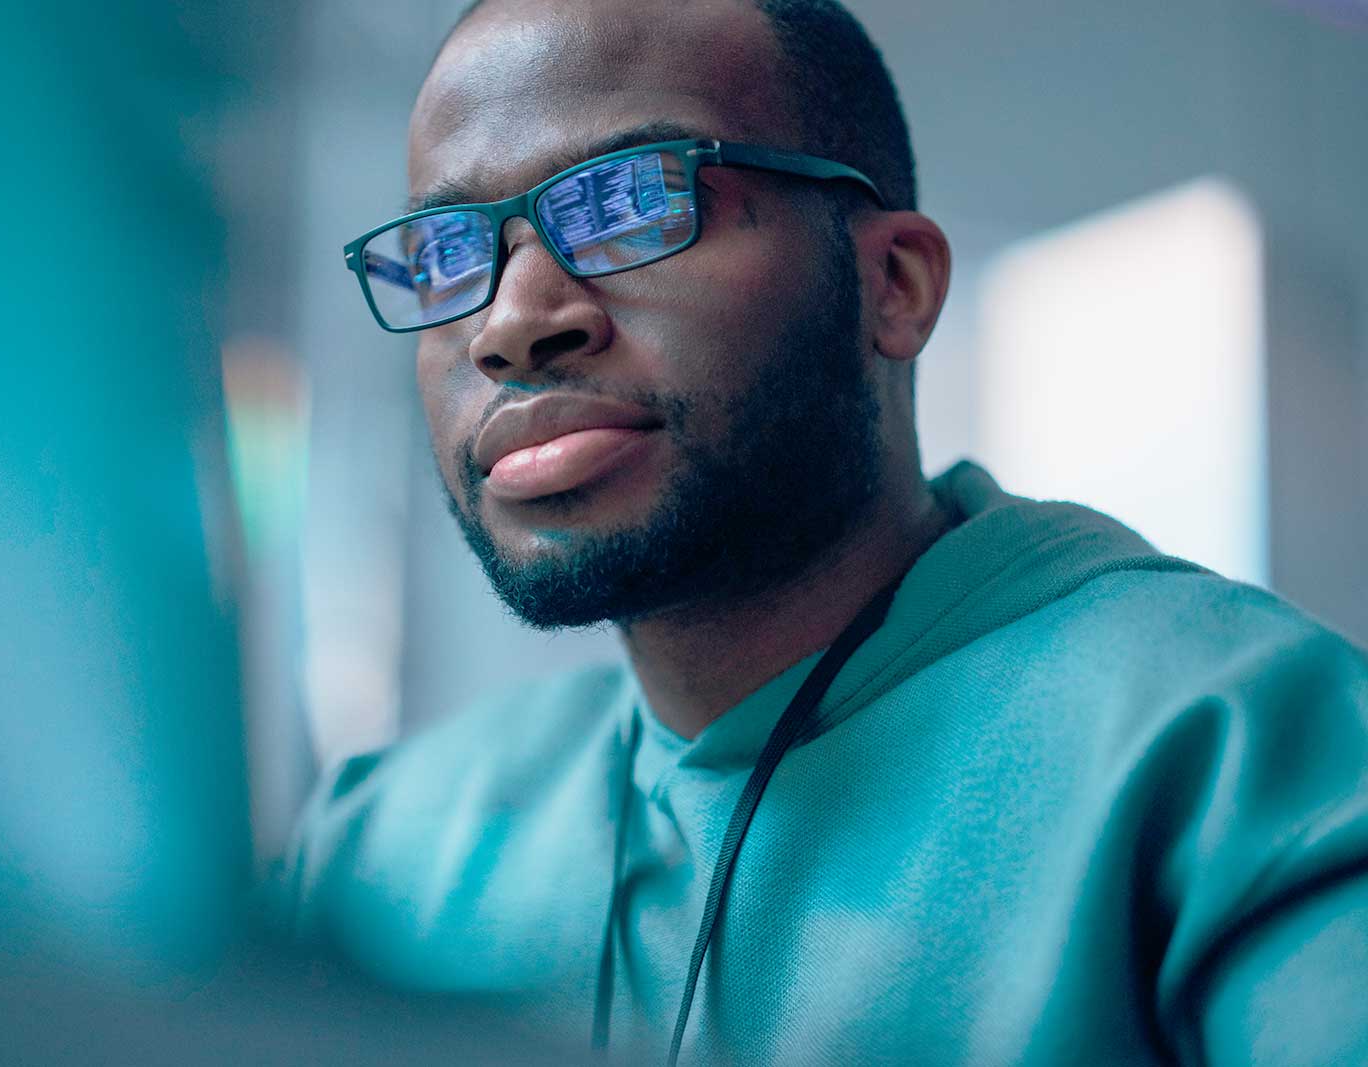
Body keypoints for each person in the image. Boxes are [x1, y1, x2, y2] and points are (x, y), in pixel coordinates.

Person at [278, 0, 1368, 1062]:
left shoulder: (1247, 747)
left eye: (628, 202)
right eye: (443, 257)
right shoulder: (379, 849)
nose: (513, 322)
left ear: (892, 284)